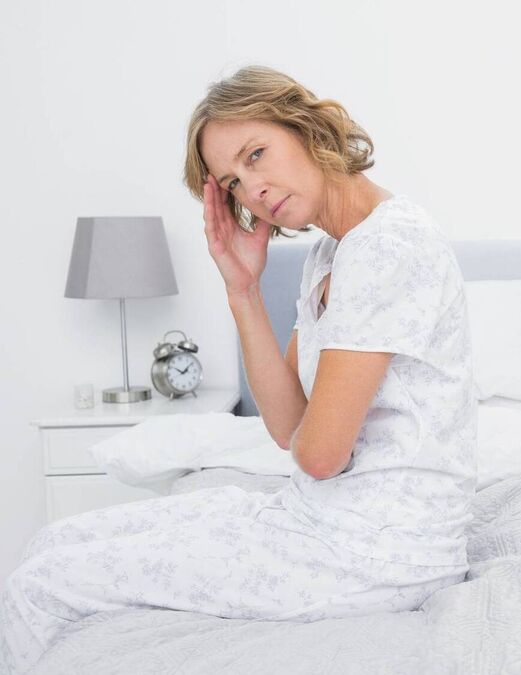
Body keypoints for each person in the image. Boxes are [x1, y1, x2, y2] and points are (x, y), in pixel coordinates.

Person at [0, 66, 476, 673]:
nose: (253, 190)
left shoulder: (389, 247)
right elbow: (288, 429)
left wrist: (310, 450)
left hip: (379, 551)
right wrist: (243, 290)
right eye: (234, 181)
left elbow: (319, 456)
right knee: (55, 540)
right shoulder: (334, 250)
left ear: (306, 127)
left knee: (41, 584)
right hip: (328, 520)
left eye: (256, 155)